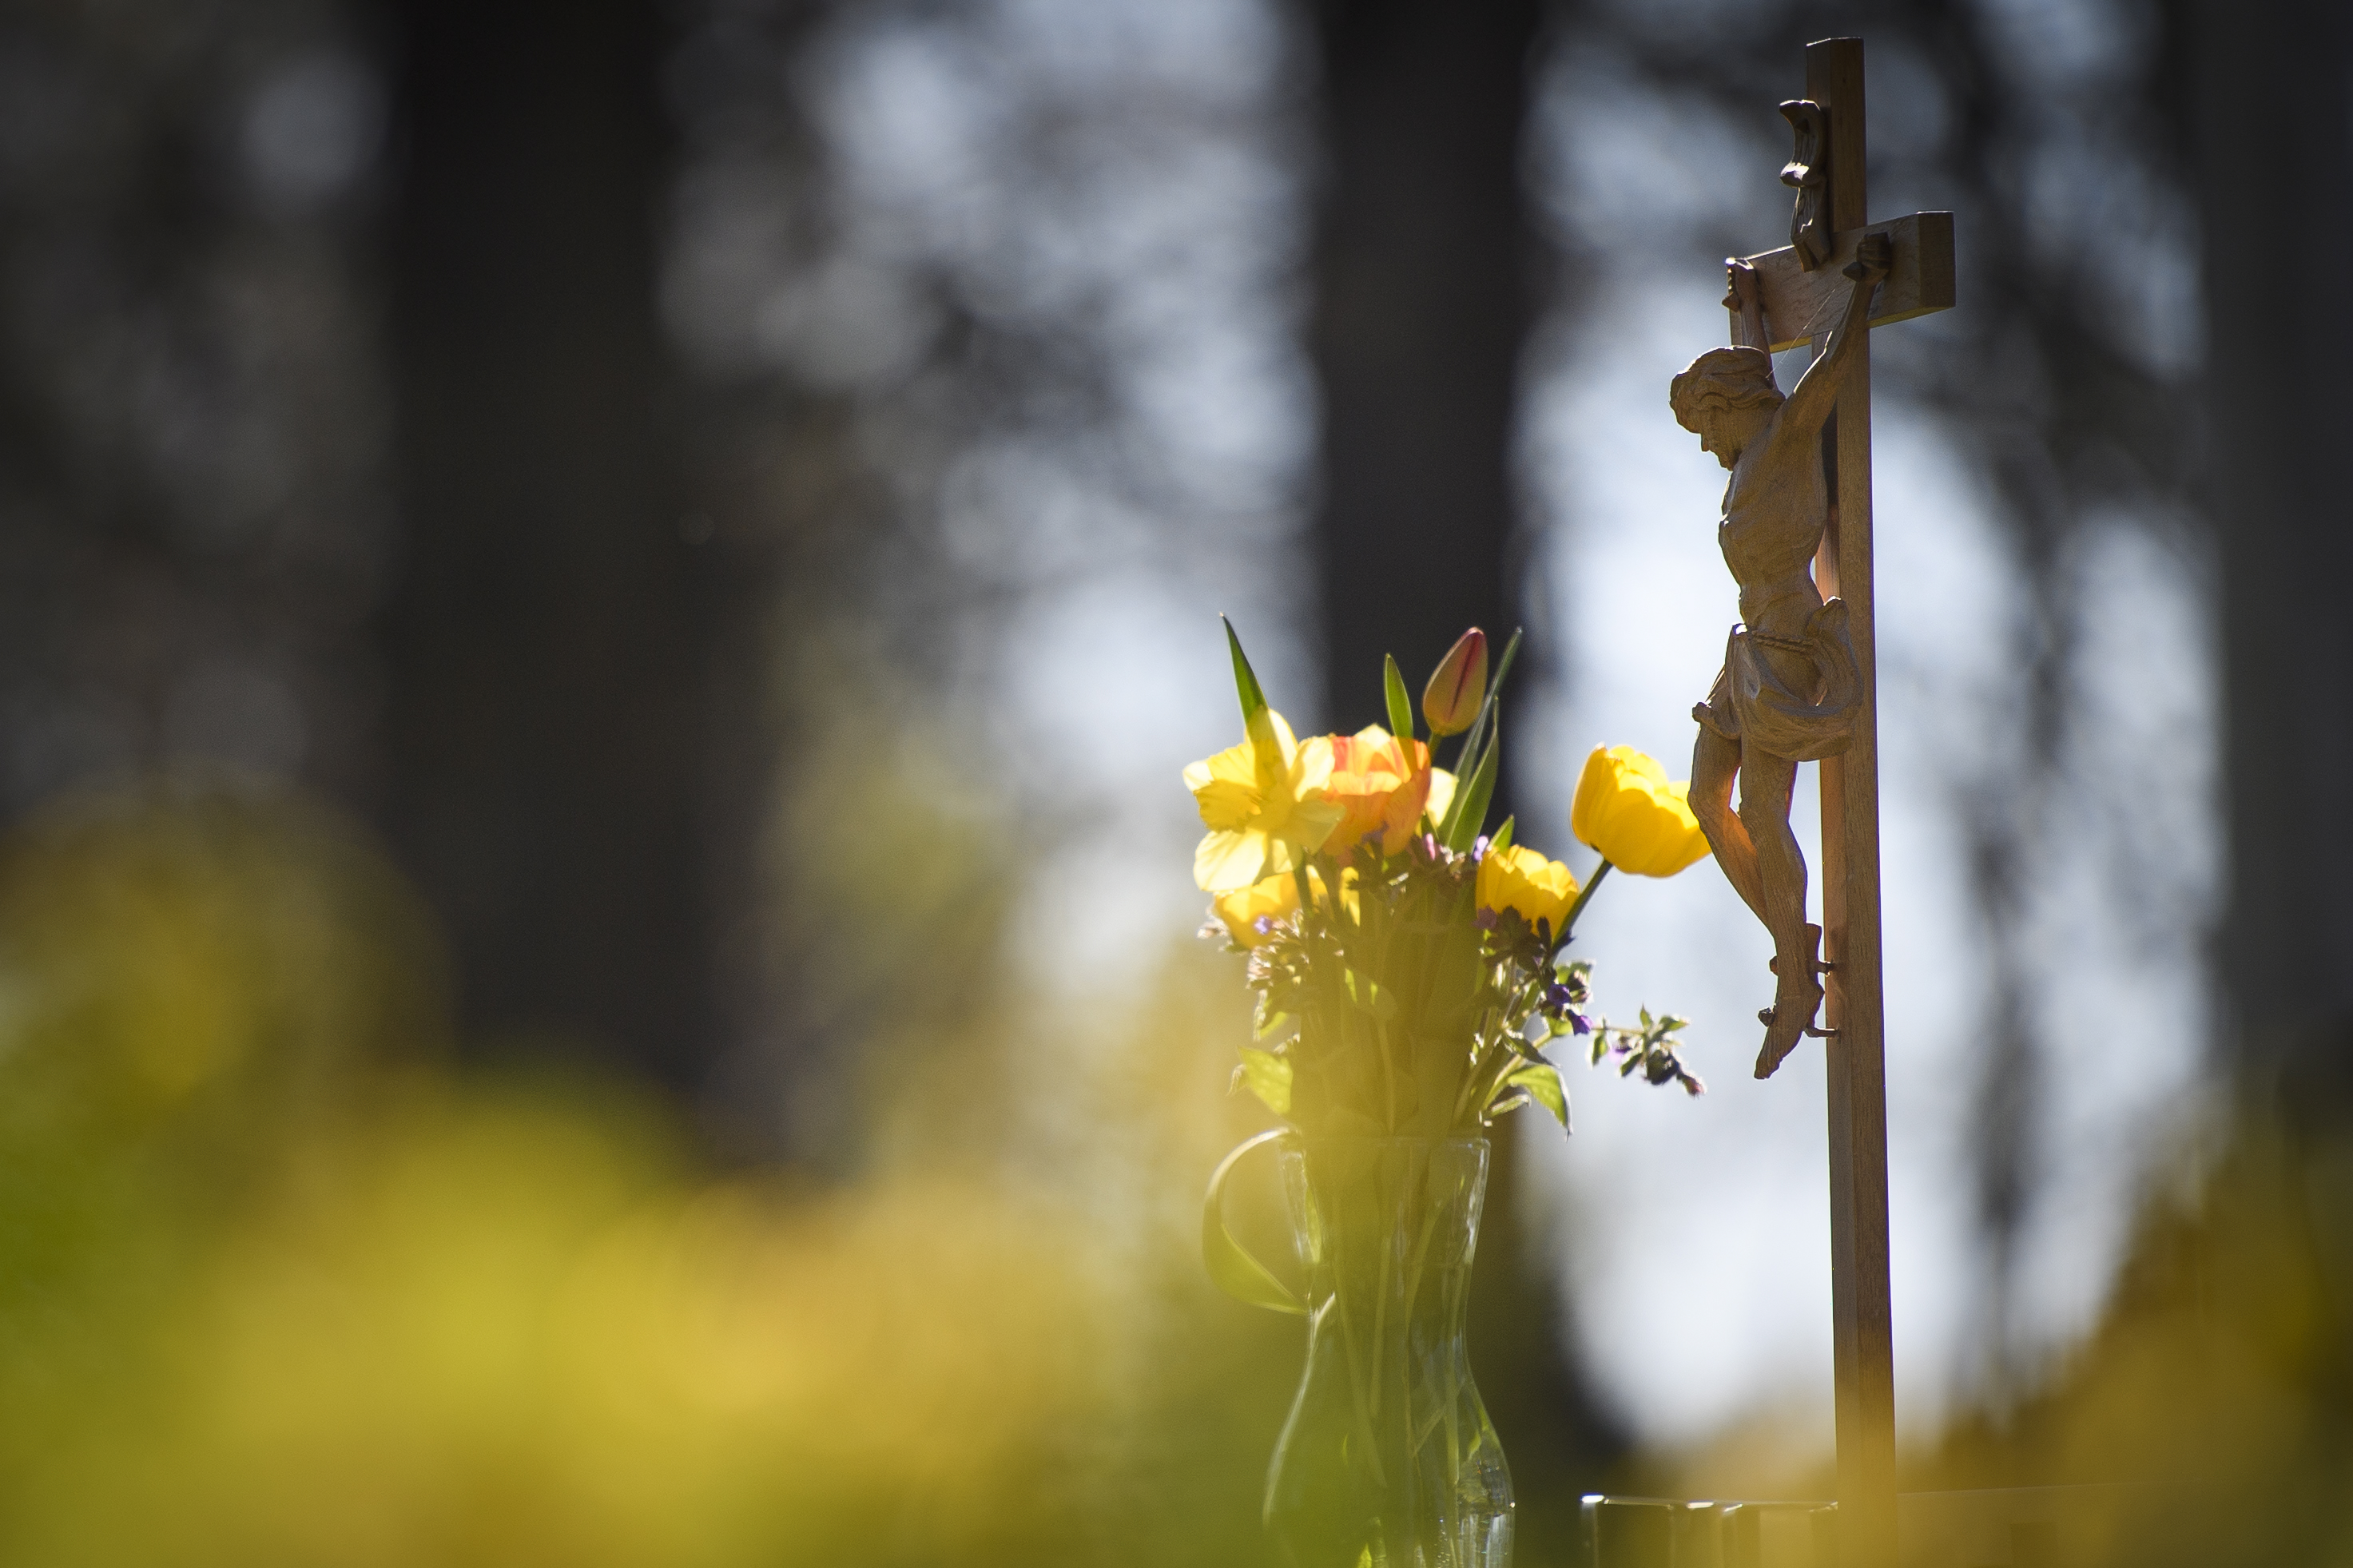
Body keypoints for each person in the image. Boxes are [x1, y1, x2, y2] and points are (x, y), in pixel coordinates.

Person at [1672, 232, 1890, 1078]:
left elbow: (1822, 374)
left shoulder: (1787, 439)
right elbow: (1756, 371)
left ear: (1731, 410)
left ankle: (1796, 981)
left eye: (1704, 423)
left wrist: (1860, 291)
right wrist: (1750, 310)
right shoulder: (1747, 451)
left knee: (1763, 813)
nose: (1701, 445)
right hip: (1746, 647)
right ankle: (1786, 935)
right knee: (1702, 796)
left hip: (1789, 644)